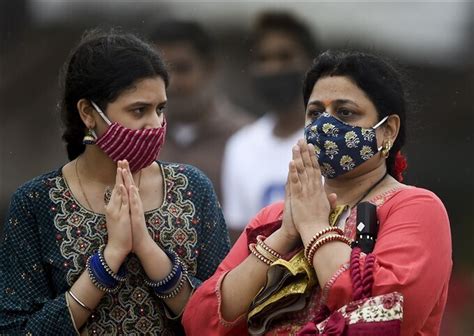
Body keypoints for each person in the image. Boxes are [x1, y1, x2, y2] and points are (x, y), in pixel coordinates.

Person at [182, 50, 452, 335]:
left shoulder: (415, 208)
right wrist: (284, 235)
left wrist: (314, 227)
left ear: (388, 131)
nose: (325, 125)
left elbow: (388, 316)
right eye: (315, 113)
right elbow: (200, 321)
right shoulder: (274, 217)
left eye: (345, 112)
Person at [0, 29, 230, 335]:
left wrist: (149, 251)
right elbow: (17, 330)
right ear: (88, 113)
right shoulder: (36, 203)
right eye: (139, 110)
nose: (155, 125)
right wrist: (107, 262)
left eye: (160, 109)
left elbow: (223, 314)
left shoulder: (191, 188)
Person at [222, 11, 319, 243]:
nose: (273, 68)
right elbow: (239, 237)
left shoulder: (331, 140)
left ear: (311, 63)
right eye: (263, 59)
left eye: (285, 57)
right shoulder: (240, 146)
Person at [149, 20, 253, 200]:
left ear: (210, 68)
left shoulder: (248, 138)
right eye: (161, 72)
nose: (172, 83)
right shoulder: (138, 137)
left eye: (182, 69)